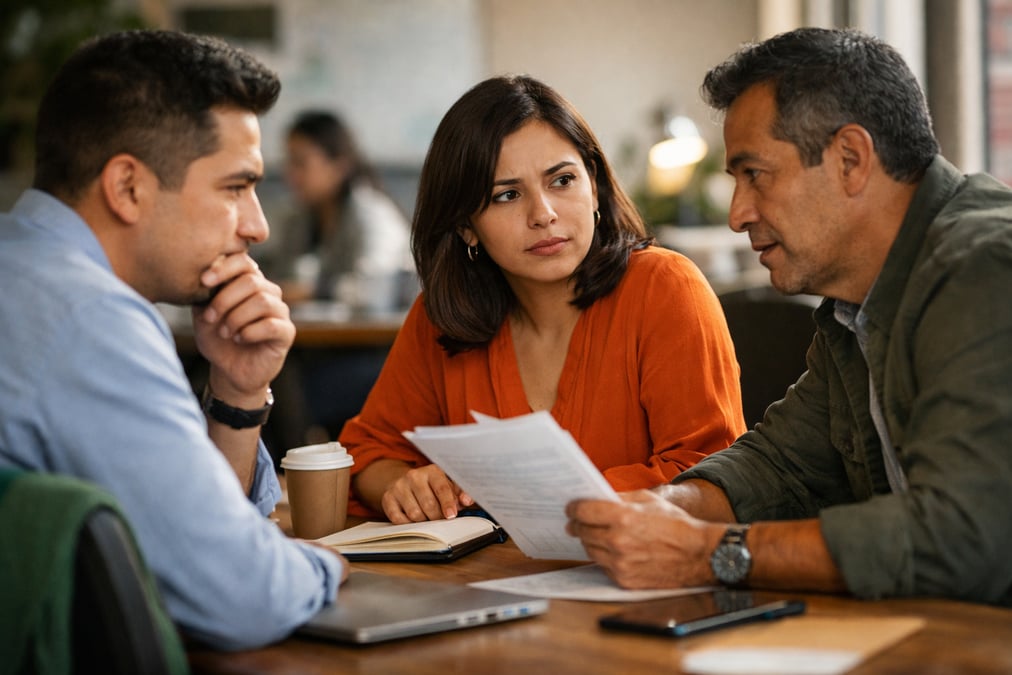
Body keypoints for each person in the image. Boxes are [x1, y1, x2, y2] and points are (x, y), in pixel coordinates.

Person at [566, 27, 1012, 606]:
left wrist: (708, 552)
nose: (736, 214)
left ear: (850, 159)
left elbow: (961, 536)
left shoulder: (984, 268)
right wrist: (664, 509)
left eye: (755, 174)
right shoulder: (856, 309)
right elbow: (780, 465)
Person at [0, 30, 346, 650]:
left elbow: (189, 541)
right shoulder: (88, 317)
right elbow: (239, 595)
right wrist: (330, 568)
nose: (258, 225)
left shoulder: (22, 271)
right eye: (236, 187)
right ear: (128, 187)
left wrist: (239, 392)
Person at [340, 74, 746, 524]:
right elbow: (367, 452)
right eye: (507, 195)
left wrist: (535, 500)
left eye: (562, 180)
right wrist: (405, 485)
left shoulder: (666, 289)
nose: (543, 214)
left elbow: (710, 478)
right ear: (466, 226)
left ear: (593, 185)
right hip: (483, 585)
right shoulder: (441, 320)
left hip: (639, 581)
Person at [255, 110, 415, 448]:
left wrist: (309, 290)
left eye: (301, 163)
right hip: (321, 351)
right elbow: (276, 273)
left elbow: (374, 290)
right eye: (289, 162)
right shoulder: (301, 220)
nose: (290, 174)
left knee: (282, 382)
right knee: (266, 367)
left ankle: (297, 475)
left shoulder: (372, 214)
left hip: (380, 354)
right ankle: (288, 478)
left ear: (338, 165)